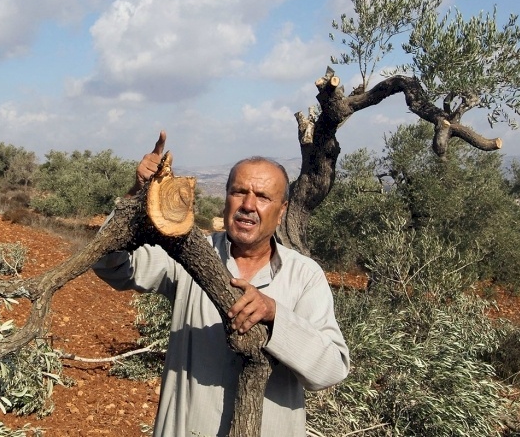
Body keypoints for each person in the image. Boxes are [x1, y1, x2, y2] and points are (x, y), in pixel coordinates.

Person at [92, 131, 349, 437]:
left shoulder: (304, 275)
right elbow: (111, 264)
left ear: (281, 212)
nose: (248, 205)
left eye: (263, 197)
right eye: (239, 192)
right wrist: (137, 195)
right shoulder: (185, 252)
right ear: (225, 199)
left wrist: (276, 315)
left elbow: (331, 369)